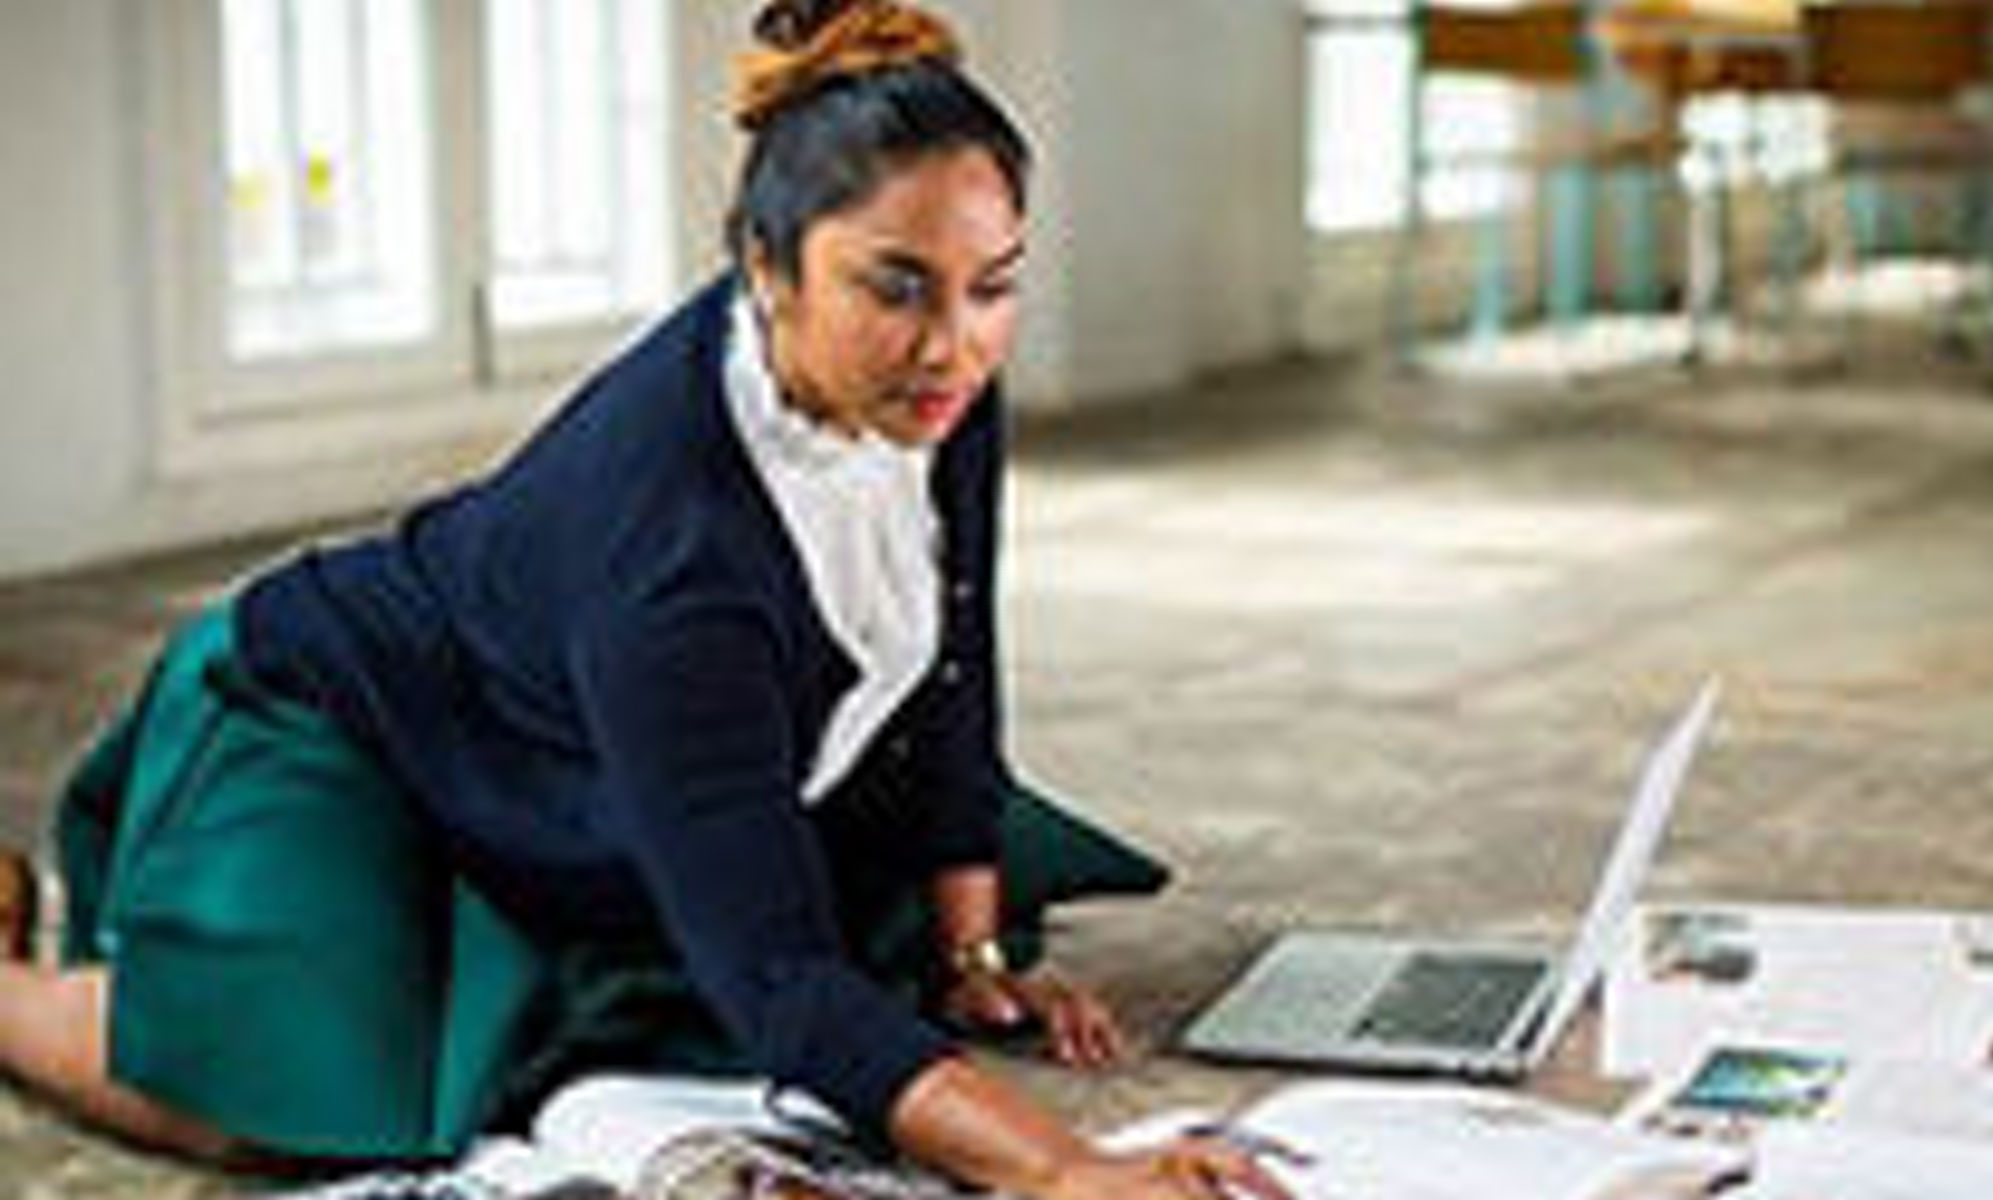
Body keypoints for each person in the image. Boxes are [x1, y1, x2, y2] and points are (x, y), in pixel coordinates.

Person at [0, 3, 1293, 1198]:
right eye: (895, 285)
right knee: (282, 1101)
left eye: (994, 284)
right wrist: (1067, 1174)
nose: (955, 341)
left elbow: (955, 666)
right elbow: (781, 982)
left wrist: (970, 966)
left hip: (575, 748)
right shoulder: (676, 552)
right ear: (764, 264)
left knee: (826, 947)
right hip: (345, 726)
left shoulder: (927, 387)